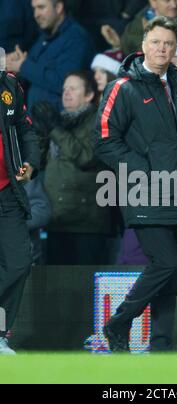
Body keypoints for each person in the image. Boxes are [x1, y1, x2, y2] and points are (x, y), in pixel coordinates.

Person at [93, 17, 177, 352]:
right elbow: (104, 141)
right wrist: (145, 170)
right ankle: (118, 323)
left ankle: (162, 348)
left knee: (171, 276)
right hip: (144, 189)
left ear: (175, 47)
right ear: (143, 45)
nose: (162, 49)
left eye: (168, 43)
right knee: (164, 263)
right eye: (156, 42)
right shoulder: (123, 87)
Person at [34, 71, 116, 265]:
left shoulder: (100, 121)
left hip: (86, 223)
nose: (66, 93)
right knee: (58, 287)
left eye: (73, 88)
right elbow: (38, 162)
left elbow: (86, 157)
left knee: (85, 286)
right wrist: (40, 132)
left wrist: (55, 129)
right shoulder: (60, 120)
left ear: (89, 95)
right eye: (64, 89)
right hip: (57, 219)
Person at [0, 71, 40, 355]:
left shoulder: (9, 84)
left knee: (18, 263)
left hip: (7, 192)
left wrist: (31, 162)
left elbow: (25, 128)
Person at [5, 0, 95, 110]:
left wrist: (23, 66)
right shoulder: (44, 37)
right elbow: (33, 73)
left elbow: (63, 82)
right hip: (34, 119)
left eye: (41, 7)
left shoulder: (77, 39)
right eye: (34, 9)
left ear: (58, 7)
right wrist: (17, 65)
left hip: (59, 122)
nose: (36, 14)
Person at [101, 0, 177, 56]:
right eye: (167, 1)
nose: (174, 4)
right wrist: (118, 45)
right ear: (153, 2)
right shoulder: (134, 26)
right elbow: (127, 60)